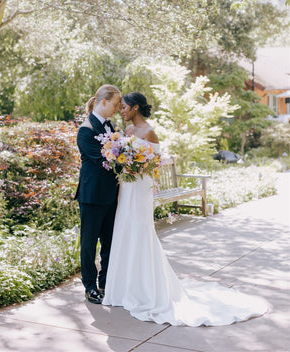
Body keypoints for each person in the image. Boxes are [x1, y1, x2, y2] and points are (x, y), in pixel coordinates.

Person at [102, 92, 268, 326]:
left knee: (140, 230)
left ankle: (146, 288)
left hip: (141, 189)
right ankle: (122, 288)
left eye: (125, 107)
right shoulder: (127, 132)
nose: (122, 111)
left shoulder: (149, 131)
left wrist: (135, 164)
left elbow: (153, 164)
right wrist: (123, 162)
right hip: (126, 188)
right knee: (124, 229)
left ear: (136, 107)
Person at [75, 84, 121, 304]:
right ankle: (90, 286)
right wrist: (128, 163)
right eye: (115, 104)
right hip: (92, 196)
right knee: (89, 243)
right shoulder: (86, 130)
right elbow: (104, 160)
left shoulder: (110, 126)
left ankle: (106, 282)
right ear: (104, 102)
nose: (118, 108)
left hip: (111, 195)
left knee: (109, 241)